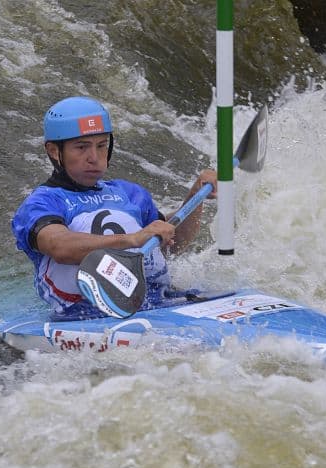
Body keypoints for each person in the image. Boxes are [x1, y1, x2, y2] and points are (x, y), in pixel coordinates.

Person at [12, 96, 217, 320]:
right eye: (81, 147)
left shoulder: (130, 193)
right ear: (54, 151)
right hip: (84, 314)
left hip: (162, 301)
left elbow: (169, 246)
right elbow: (59, 246)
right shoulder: (41, 203)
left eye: (101, 146)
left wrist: (196, 196)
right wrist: (132, 239)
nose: (94, 158)